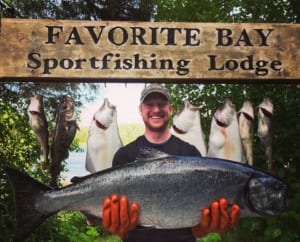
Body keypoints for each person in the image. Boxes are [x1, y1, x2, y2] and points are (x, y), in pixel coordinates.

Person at [101, 84, 240, 242]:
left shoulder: (191, 154)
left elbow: (198, 229)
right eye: (149, 104)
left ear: (171, 109)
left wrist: (205, 227)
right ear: (140, 109)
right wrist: (118, 227)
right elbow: (121, 229)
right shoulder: (124, 156)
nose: (156, 109)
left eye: (161, 104)